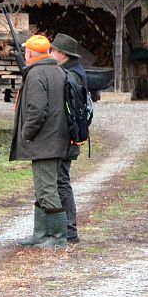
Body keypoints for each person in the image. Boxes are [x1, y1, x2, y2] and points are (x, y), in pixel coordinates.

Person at [10, 32, 71, 249]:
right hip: (55, 140)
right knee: (42, 188)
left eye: (26, 51)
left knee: (46, 190)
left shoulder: (36, 74)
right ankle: (40, 235)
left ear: (29, 53)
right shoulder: (58, 70)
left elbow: (37, 110)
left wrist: (26, 134)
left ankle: (58, 239)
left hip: (44, 142)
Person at [51, 33, 94, 244]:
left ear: (63, 55)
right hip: (69, 136)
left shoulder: (70, 77)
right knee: (60, 180)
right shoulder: (73, 72)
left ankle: (69, 230)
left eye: (53, 51)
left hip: (67, 137)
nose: (50, 54)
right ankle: (64, 229)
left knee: (61, 181)